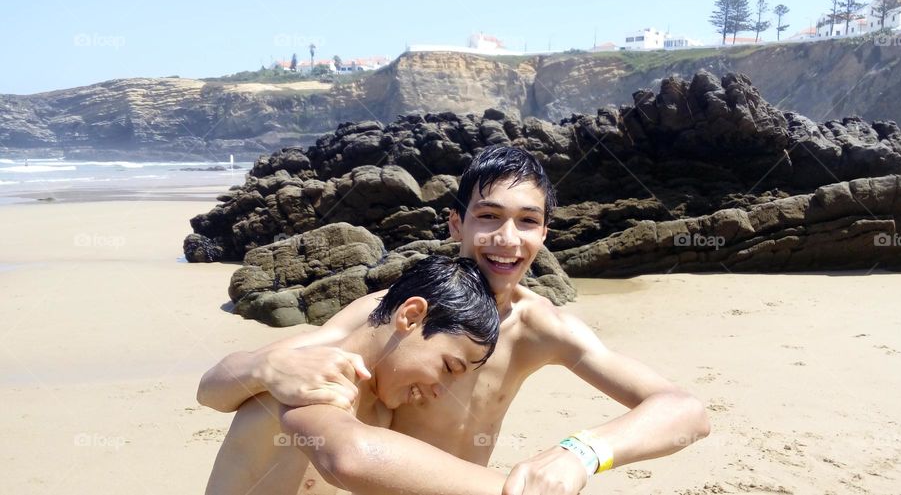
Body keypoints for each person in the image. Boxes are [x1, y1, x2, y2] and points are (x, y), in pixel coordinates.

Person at [199, 146, 711, 495]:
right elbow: (217, 390)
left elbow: (685, 412)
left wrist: (582, 453)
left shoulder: (540, 327)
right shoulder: (388, 313)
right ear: (456, 223)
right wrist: (265, 367)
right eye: (488, 216)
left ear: (543, 235)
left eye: (527, 221)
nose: (507, 239)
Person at [205, 254, 502, 494]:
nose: (441, 390)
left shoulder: (382, 406)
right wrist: (264, 368)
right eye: (449, 367)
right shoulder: (312, 370)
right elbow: (348, 457)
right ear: (410, 317)